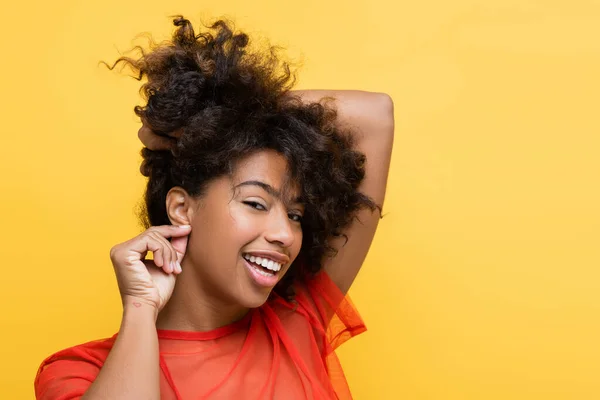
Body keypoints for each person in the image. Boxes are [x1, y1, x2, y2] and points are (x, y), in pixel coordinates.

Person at [34, 16, 394, 400]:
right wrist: (140, 306)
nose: (285, 234)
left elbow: (374, 117)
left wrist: (220, 122)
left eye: (295, 215)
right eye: (256, 203)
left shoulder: (295, 322)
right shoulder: (78, 372)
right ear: (181, 208)